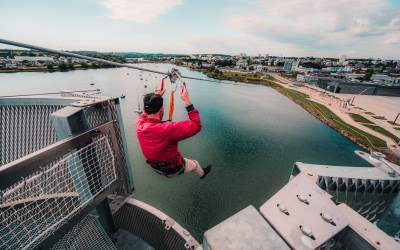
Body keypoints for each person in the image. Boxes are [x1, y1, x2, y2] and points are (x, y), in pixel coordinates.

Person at [135, 87, 212, 179]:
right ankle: (202, 174)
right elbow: (196, 125)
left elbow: (145, 113)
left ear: (145, 108)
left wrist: (157, 97)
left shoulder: (139, 124)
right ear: (161, 110)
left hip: (156, 167)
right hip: (172, 170)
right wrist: (187, 101)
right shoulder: (168, 129)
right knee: (195, 164)